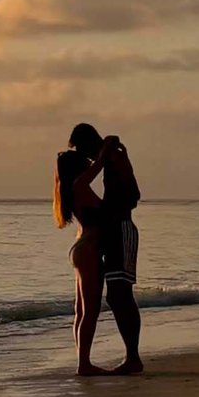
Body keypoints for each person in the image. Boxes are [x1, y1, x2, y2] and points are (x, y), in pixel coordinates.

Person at [55, 130, 106, 375]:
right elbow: (95, 170)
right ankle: (84, 363)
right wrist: (104, 156)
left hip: (80, 246)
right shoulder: (80, 186)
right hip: (88, 248)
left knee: (80, 310)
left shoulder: (69, 191)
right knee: (91, 309)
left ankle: (82, 360)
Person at [93, 127, 144, 374]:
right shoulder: (114, 166)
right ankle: (132, 356)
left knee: (120, 294)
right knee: (117, 296)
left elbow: (133, 195)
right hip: (117, 232)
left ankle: (133, 356)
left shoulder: (116, 164)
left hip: (121, 231)